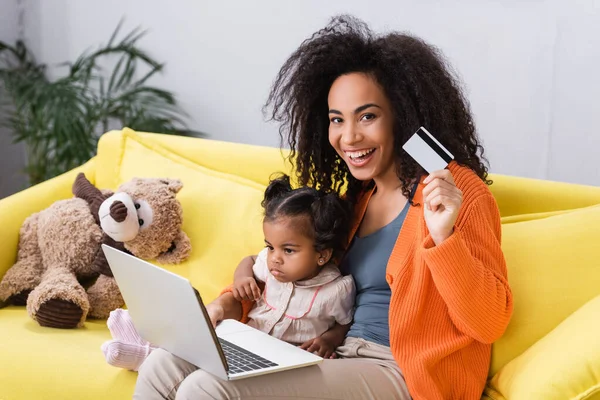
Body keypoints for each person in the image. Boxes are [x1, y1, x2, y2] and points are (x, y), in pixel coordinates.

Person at [134, 14, 513, 400]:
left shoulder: (456, 192)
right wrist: (230, 300)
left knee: (208, 388)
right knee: (164, 363)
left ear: (404, 115)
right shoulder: (356, 199)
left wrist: (444, 236)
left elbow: (488, 322)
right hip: (333, 357)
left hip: (403, 372)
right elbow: (292, 268)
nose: (349, 137)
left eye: (367, 116)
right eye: (337, 119)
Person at [102, 174, 355, 371]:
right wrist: (242, 277)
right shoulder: (270, 264)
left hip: (283, 356)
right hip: (244, 337)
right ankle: (150, 340)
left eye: (288, 250)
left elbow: (345, 323)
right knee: (201, 338)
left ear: (322, 254)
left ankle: (146, 354)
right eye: (270, 246)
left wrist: (330, 340)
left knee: (205, 363)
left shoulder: (336, 290)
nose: (274, 257)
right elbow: (251, 259)